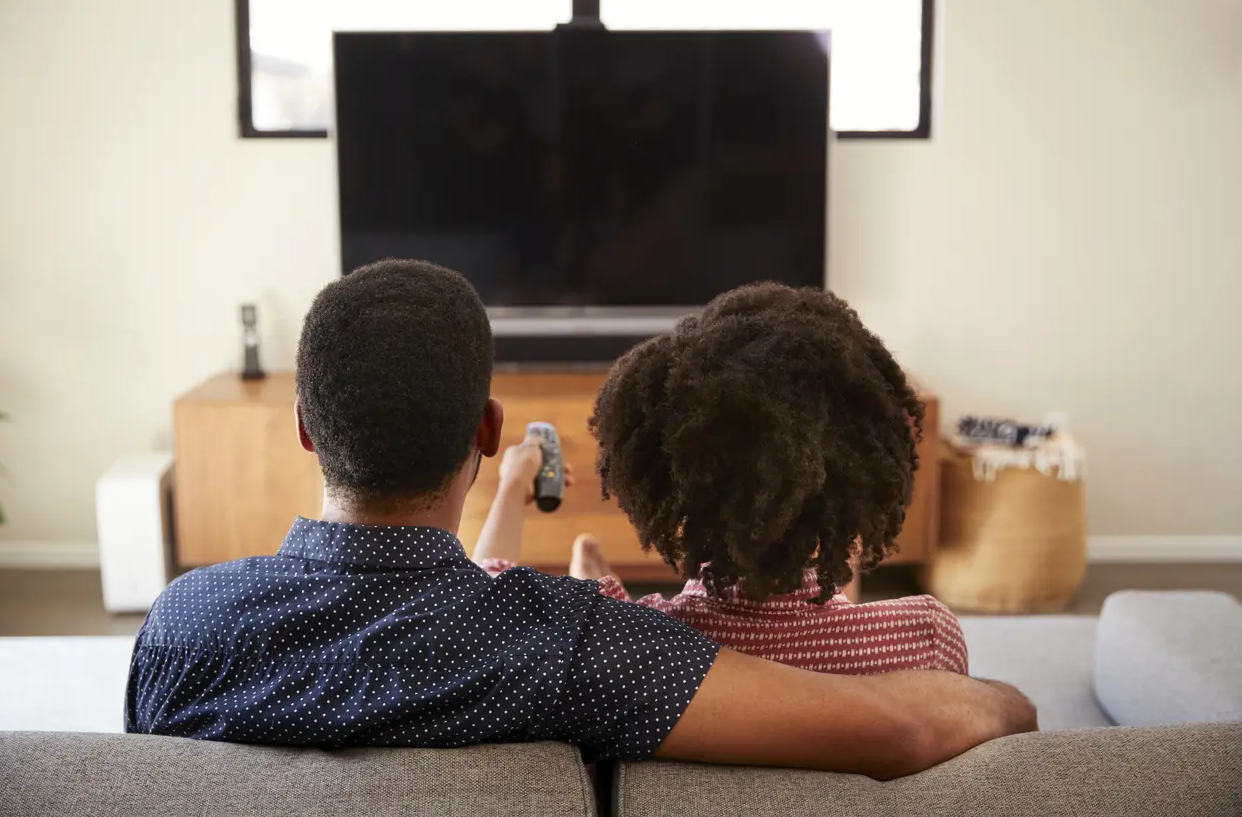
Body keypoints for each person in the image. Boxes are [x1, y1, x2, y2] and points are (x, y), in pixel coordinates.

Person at [125, 259, 1035, 779]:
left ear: (302, 428)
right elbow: (910, 727)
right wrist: (1007, 698)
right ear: (487, 428)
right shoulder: (565, 643)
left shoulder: (182, 623)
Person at [557, 282, 967, 675]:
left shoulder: (629, 646)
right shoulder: (927, 638)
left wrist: (511, 489)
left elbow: (493, 583)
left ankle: (591, 579)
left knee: (592, 598)